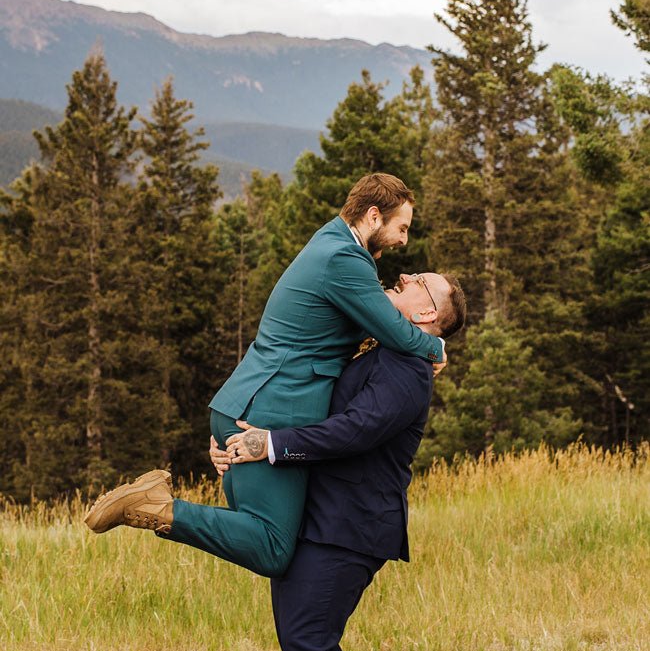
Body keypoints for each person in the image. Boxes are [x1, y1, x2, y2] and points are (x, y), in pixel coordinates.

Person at [85, 174, 446, 576]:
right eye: (402, 228)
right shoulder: (345, 259)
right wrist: (437, 347)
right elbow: (394, 330)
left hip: (246, 402)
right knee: (271, 547)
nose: (403, 241)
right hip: (274, 408)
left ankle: (160, 508)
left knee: (259, 533)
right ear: (374, 215)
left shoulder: (331, 244)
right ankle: (154, 506)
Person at [211, 271, 467, 651]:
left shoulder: (408, 372)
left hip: (352, 527)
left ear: (427, 315)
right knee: (302, 636)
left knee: (309, 637)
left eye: (419, 282)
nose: (403, 275)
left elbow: (354, 430)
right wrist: (243, 445)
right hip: (320, 518)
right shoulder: (386, 349)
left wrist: (271, 444)